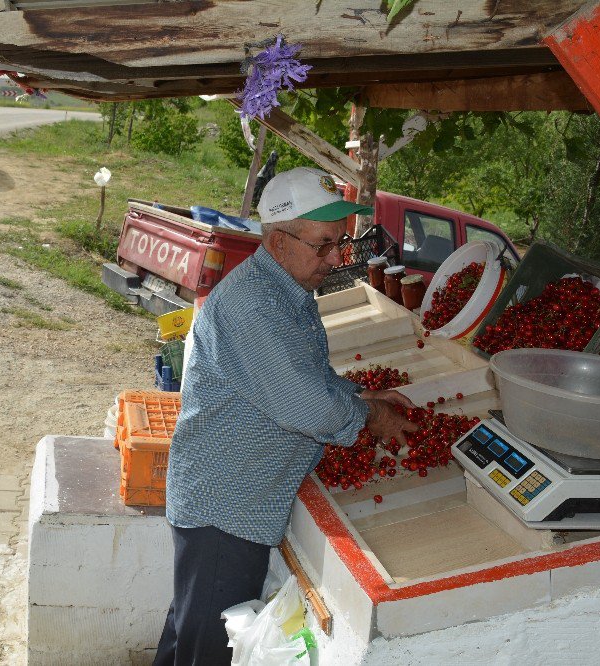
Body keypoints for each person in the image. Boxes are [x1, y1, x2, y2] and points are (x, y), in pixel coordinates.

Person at [154, 167, 418, 665]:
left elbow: (307, 378)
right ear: (278, 241)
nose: (337, 258)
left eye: (341, 242)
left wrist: (359, 393)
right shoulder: (253, 304)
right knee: (206, 648)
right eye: (323, 245)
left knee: (189, 631)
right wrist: (373, 415)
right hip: (225, 509)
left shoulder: (284, 293)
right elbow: (308, 405)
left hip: (235, 498)